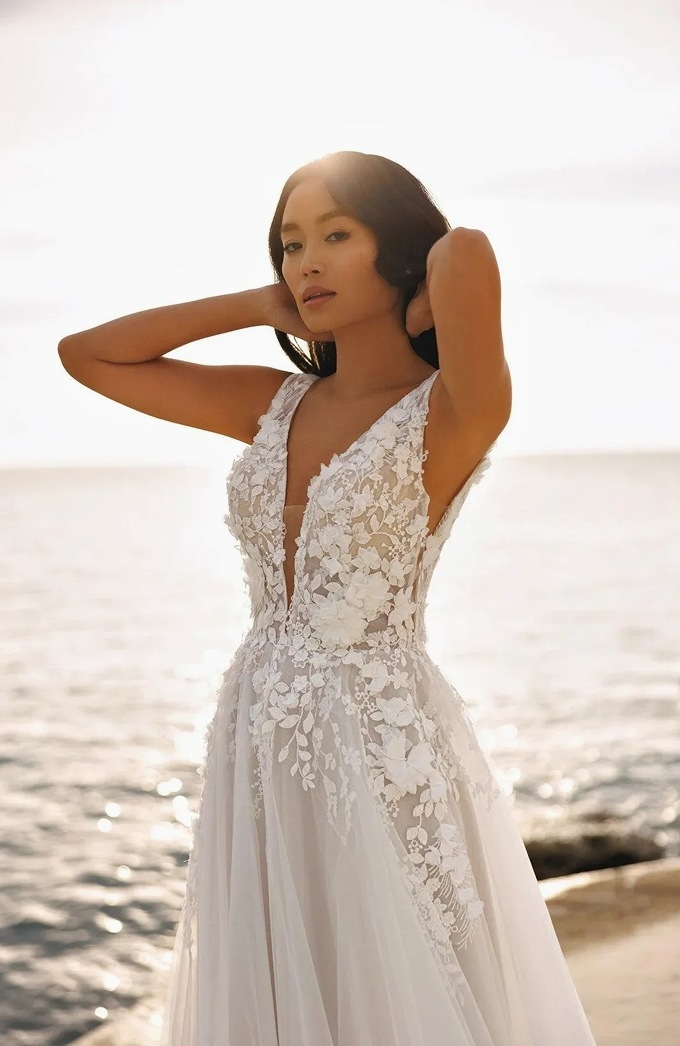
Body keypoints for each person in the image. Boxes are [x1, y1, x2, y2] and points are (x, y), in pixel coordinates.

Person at [58, 150, 597, 1044]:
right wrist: (255, 305)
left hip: (378, 733)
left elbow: (466, 252)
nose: (304, 261)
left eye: (335, 236)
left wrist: (427, 280)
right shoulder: (273, 405)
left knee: (399, 987)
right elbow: (89, 356)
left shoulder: (453, 409)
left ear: (398, 254)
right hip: (257, 730)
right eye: (289, 243)